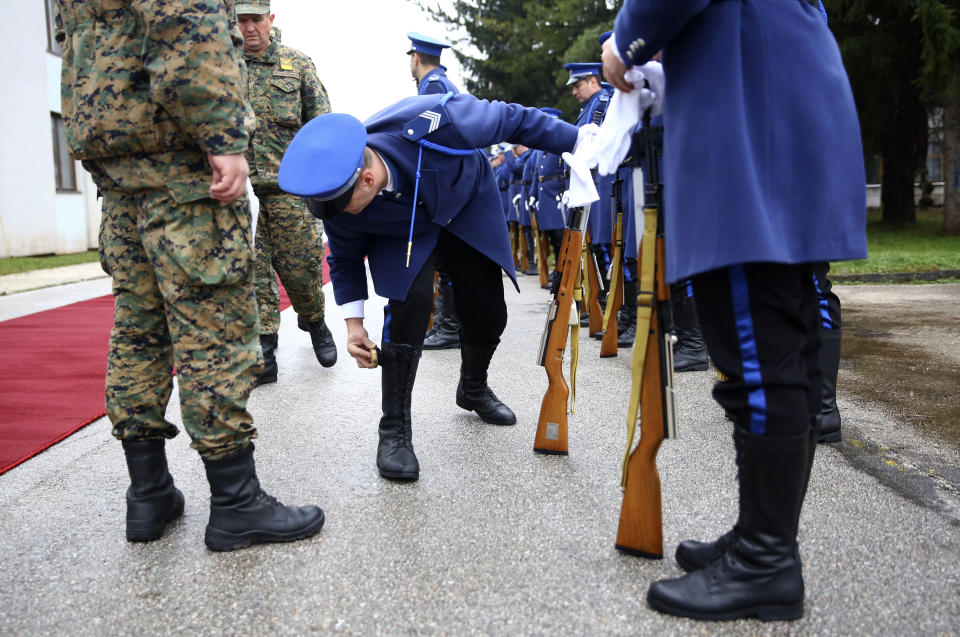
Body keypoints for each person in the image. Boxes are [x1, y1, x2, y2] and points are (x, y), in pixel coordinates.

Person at [602, 0, 866, 621]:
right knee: (784, 341)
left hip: (748, 114)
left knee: (756, 348)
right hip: (778, 97)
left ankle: (766, 561)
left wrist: (626, 41)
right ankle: (761, 539)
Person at [55, 0, 325, 551]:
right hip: (182, 166)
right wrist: (224, 137)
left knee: (138, 329)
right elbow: (188, 25)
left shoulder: (297, 65)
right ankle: (236, 503)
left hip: (119, 165)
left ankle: (148, 493)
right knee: (213, 332)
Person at [278, 93, 583, 481]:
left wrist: (578, 142)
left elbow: (513, 117)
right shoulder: (339, 197)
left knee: (488, 311)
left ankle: (473, 388)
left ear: (367, 179)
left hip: (463, 205)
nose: (335, 218)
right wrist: (354, 326)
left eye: (342, 207)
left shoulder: (439, 120)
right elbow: (345, 259)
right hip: (399, 229)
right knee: (410, 304)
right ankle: (394, 430)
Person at [238, 0, 337, 386]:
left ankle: (314, 319)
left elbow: (322, 125)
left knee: (300, 268)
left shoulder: (296, 65)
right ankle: (265, 350)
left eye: (255, 20)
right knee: (253, 268)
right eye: (241, 21)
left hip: (290, 189)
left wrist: (324, 187)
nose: (249, 29)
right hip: (241, 190)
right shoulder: (224, 69)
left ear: (270, 20)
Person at [407, 32, 463, 350]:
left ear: (416, 58)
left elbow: (435, 141)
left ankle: (450, 326)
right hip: (442, 184)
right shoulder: (437, 84)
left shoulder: (434, 88)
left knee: (445, 261)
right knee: (444, 260)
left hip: (441, 185)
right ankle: (448, 323)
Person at [564, 63, 613, 325]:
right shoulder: (589, 107)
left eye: (577, 85)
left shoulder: (601, 102)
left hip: (599, 184)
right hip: (588, 184)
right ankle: (602, 305)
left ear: (593, 80)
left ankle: (608, 308)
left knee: (603, 246)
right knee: (593, 247)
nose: (574, 91)